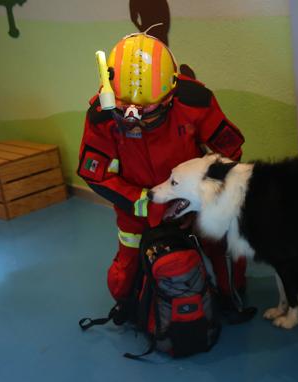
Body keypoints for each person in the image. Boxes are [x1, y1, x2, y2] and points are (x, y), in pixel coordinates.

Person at [78, 32, 247, 316]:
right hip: (136, 207)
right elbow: (94, 173)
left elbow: (229, 156)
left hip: (193, 202)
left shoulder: (195, 102)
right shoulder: (102, 114)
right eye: (124, 106)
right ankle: (134, 305)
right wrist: (142, 202)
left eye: (148, 108)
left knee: (220, 251)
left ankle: (230, 299)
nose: (134, 116)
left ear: (171, 92)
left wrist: (201, 200)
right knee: (125, 276)